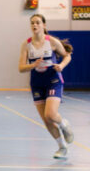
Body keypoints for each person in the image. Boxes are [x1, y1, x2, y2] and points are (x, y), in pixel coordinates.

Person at [19, 14, 74, 159]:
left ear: (44, 25)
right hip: (37, 83)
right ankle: (62, 147)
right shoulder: (26, 45)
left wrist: (61, 65)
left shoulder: (52, 42)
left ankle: (64, 124)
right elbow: (21, 68)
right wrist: (33, 65)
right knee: (46, 120)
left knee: (50, 114)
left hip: (53, 80)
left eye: (37, 22)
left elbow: (67, 55)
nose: (34, 25)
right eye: (32, 23)